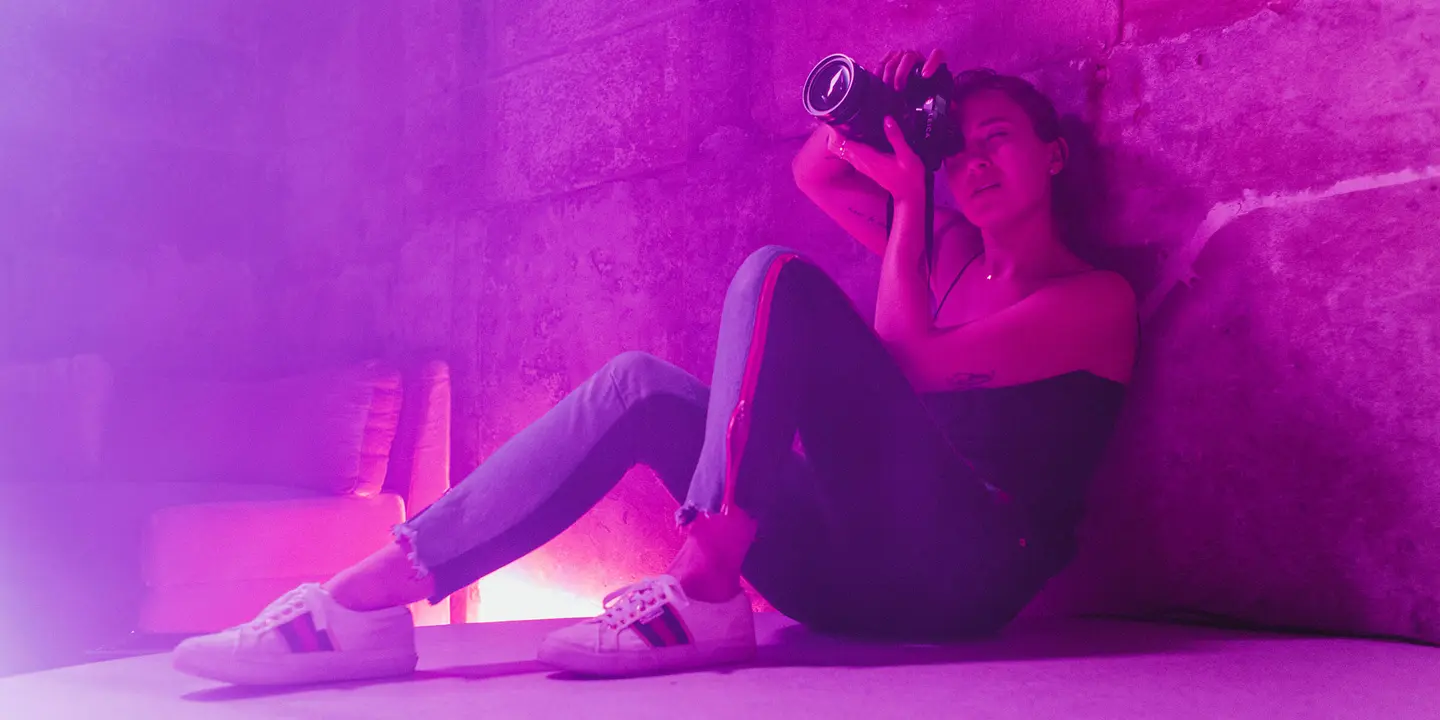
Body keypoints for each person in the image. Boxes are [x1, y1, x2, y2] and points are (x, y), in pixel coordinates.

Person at [172, 48, 1137, 686]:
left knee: (779, 277)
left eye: (995, 143)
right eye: (955, 150)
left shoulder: (1097, 301)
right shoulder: (944, 257)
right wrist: (883, 121)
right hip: (848, 581)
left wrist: (913, 204)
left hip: (963, 582)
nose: (970, 165)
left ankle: (705, 589)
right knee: (637, 383)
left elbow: (915, 363)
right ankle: (370, 599)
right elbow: (815, 173)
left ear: (1053, 156)